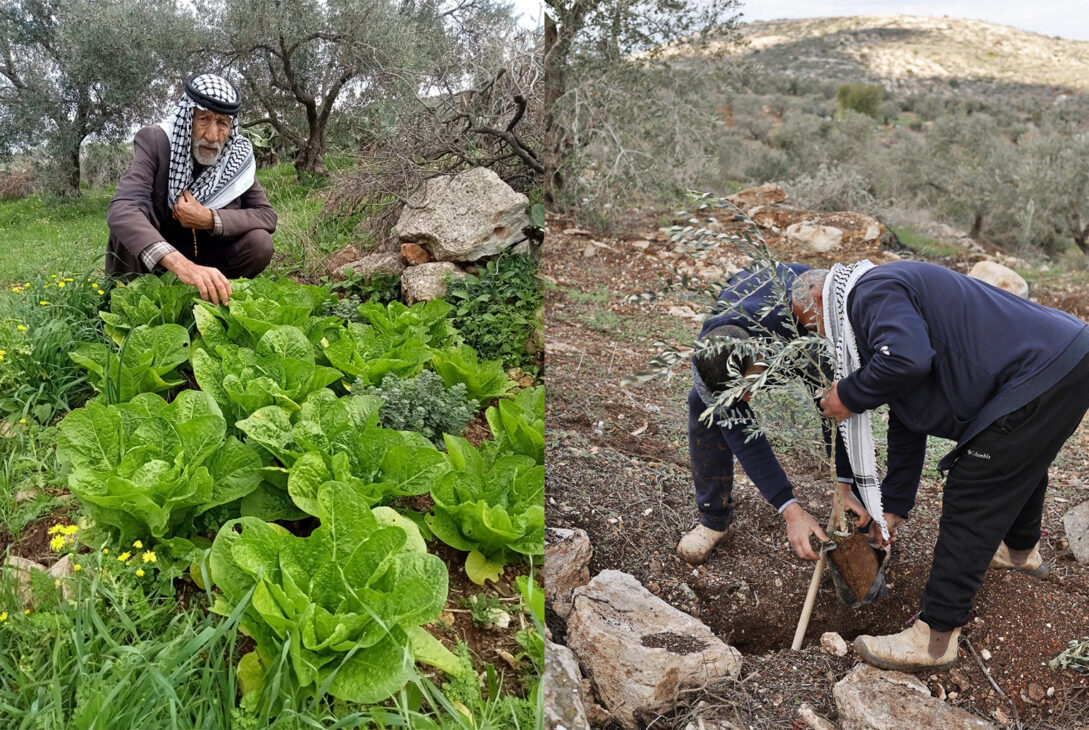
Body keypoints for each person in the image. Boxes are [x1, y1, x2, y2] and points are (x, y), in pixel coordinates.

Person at [794, 260, 1089, 672]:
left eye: (813, 328)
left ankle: (935, 639)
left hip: (1043, 367)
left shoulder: (869, 294)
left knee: (976, 484)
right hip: (1066, 356)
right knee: (1017, 454)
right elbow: (908, 411)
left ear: (818, 304)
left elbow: (907, 362)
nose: (821, 339)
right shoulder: (878, 292)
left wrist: (849, 393)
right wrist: (892, 507)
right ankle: (1020, 554)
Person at [678, 263, 867, 565]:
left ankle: (858, 513)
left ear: (759, 353)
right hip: (749, 311)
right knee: (703, 407)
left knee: (833, 403)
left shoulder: (806, 327)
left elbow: (834, 412)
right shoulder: (710, 354)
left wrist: (840, 483)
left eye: (748, 386)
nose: (748, 397)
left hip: (796, 320)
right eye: (737, 394)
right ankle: (714, 519)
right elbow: (743, 435)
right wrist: (790, 510)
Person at [106, 73, 277, 304]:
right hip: (158, 262)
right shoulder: (157, 142)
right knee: (126, 228)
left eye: (223, 123)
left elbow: (267, 216)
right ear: (188, 118)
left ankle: (214, 300)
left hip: (209, 258)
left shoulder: (236, 159)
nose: (212, 135)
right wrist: (181, 265)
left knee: (260, 243)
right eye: (204, 119)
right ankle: (132, 305)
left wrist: (209, 219)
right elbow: (123, 208)